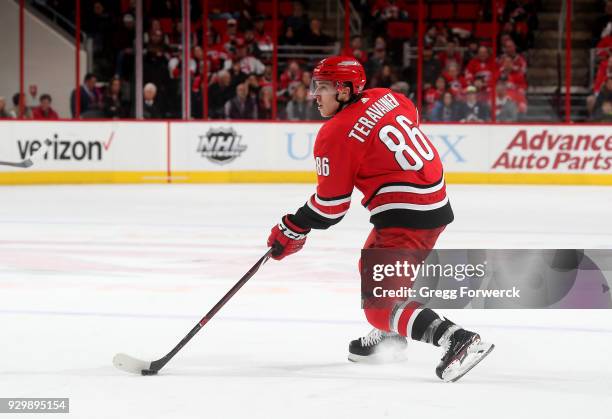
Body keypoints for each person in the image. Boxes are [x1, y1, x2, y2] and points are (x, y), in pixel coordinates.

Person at [265, 56, 494, 382]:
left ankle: (455, 338)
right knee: (372, 267)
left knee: (378, 305)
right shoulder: (388, 96)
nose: (315, 95)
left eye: (324, 88)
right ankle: (391, 333)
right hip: (434, 201)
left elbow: (330, 208)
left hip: (408, 217)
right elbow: (411, 119)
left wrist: (292, 226)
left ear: (344, 91)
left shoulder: (333, 134)